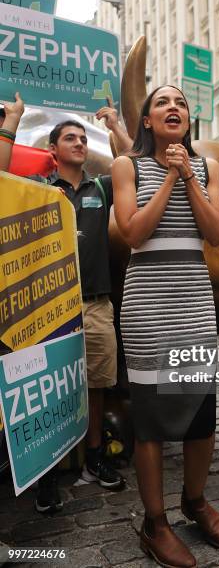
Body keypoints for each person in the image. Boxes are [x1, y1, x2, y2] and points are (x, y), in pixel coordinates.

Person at [112, 85, 219, 568]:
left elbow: (217, 233)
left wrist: (189, 178)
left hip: (194, 305)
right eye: (162, 102)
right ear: (146, 121)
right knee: (151, 421)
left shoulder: (208, 168)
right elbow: (134, 232)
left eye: (181, 103)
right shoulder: (128, 166)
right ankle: (156, 523)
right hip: (146, 307)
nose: (173, 108)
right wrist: (167, 178)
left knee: (202, 414)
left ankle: (195, 501)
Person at [3, 104, 133, 513]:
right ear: (54, 150)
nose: (79, 142)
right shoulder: (39, 187)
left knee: (95, 385)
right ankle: (46, 475)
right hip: (48, 310)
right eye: (70, 138)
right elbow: (1, 177)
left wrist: (115, 125)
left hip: (96, 306)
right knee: (47, 393)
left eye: (82, 137)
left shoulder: (102, 188)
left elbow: (138, 166)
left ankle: (94, 457)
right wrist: (11, 122)